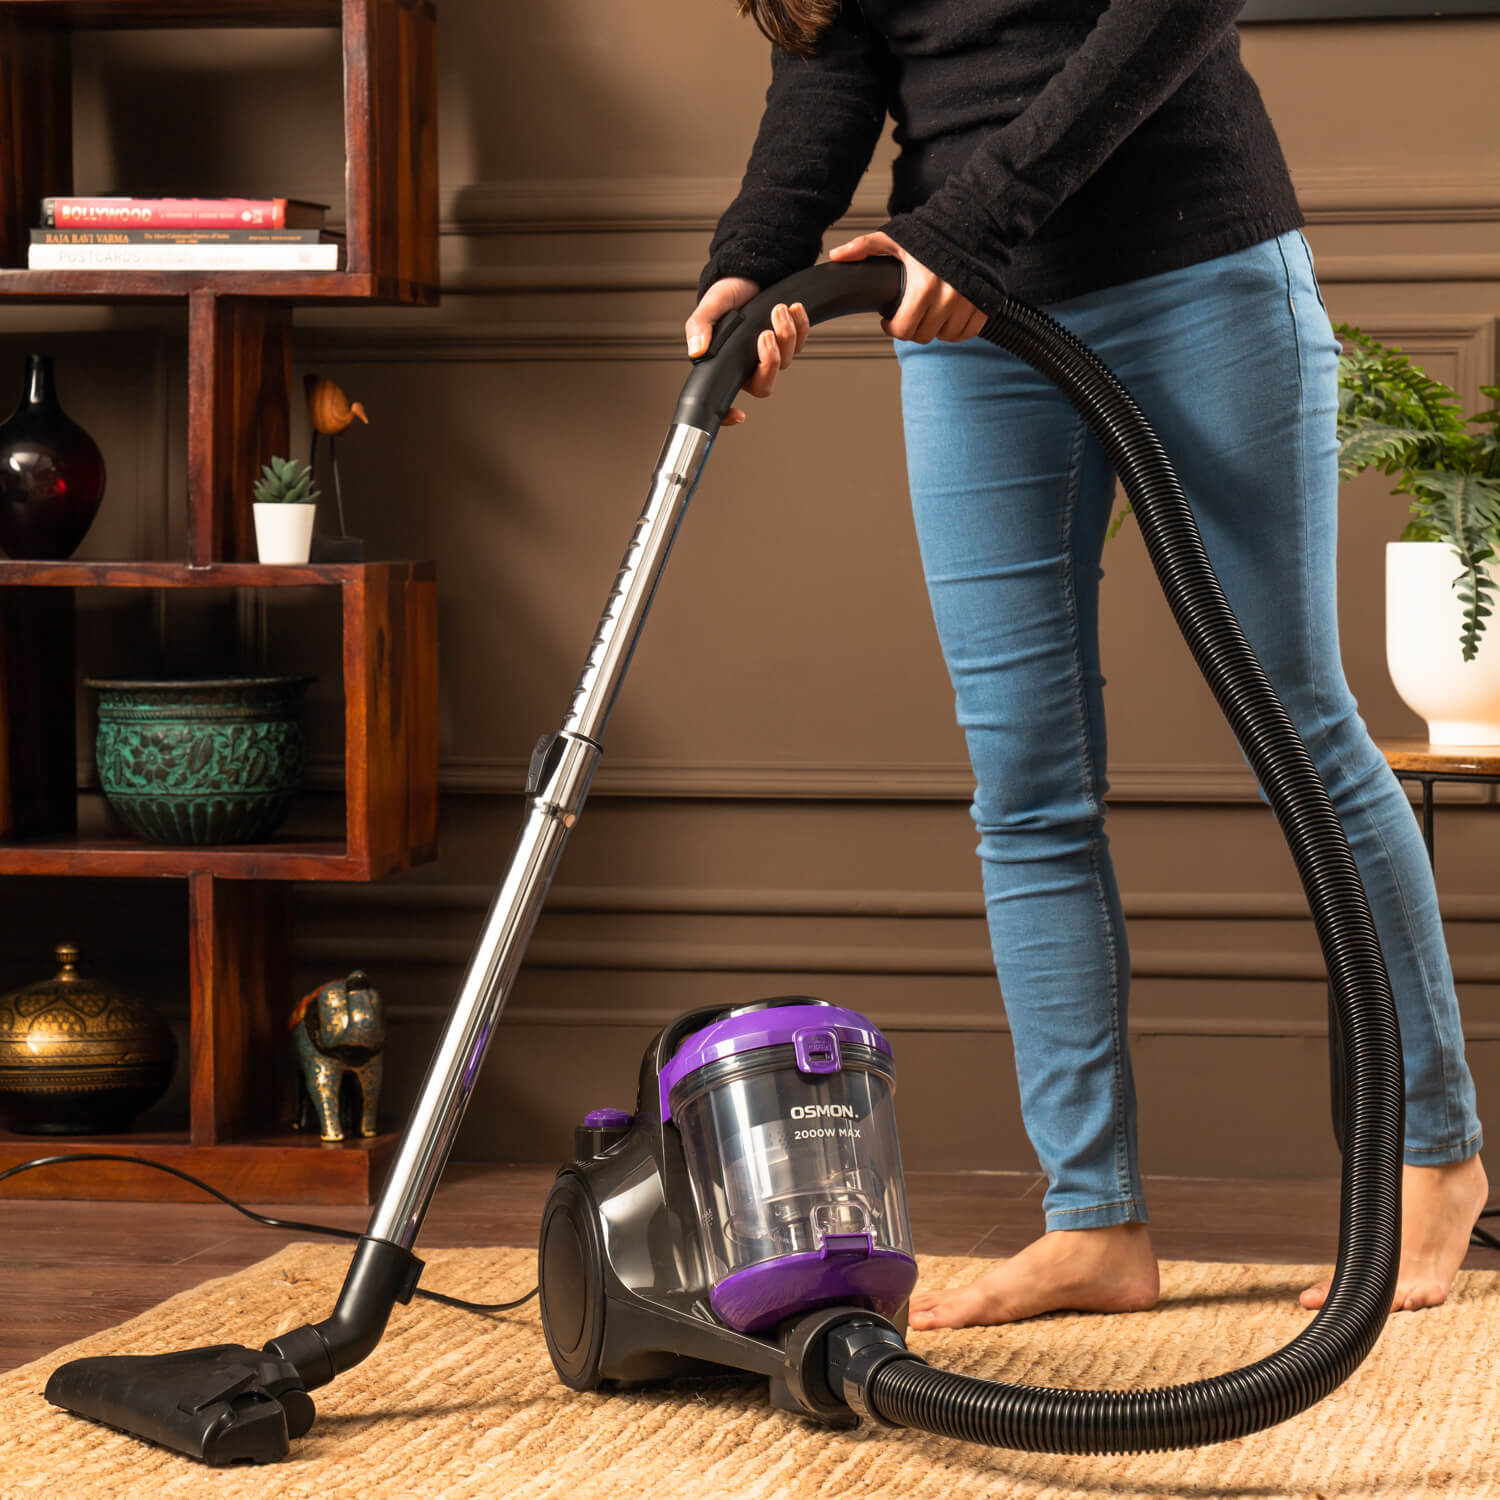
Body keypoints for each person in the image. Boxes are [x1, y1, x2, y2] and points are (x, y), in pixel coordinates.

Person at [684, 0, 1489, 1329]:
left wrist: (980, 217)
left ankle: (1436, 1153)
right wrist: (755, 261)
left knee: (1303, 730)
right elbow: (833, 63)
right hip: (968, 320)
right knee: (1024, 780)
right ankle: (1094, 1222)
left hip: (1194, 266)